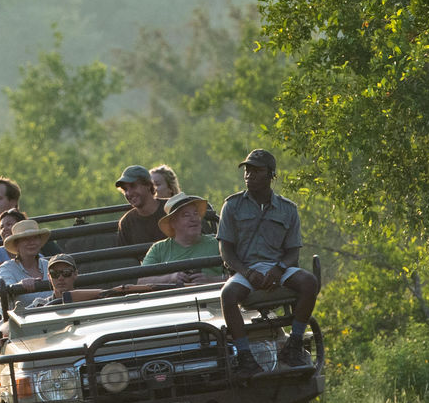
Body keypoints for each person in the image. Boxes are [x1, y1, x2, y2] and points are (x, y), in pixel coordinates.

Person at [216, 149, 320, 374]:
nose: (249, 175)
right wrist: (247, 273)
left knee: (309, 282)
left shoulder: (287, 208)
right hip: (245, 269)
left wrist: (279, 269)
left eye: (256, 171)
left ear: (271, 175)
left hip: (279, 267)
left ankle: (294, 343)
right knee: (228, 295)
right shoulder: (232, 206)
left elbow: (293, 251)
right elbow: (226, 250)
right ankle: (245, 356)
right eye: (247, 170)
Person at [137, 194, 220, 287]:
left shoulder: (218, 244)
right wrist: (170, 278)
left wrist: (211, 280)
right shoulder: (158, 249)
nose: (194, 219)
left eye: (196, 213)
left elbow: (236, 276)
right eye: (186, 215)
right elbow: (141, 281)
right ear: (172, 223)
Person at [0, 218, 54, 295]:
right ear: (16, 245)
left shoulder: (48, 265)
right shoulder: (6, 268)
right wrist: (19, 285)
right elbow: (5, 288)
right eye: (25, 239)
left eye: (35, 238)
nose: (31, 242)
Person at [22, 255, 107, 307]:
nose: (60, 278)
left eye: (66, 273)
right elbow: (11, 324)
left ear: (75, 274)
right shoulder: (40, 304)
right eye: (54, 274)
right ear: (49, 277)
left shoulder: (90, 300)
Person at [114, 165, 165, 247]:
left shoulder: (171, 209)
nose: (129, 193)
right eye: (125, 189)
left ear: (148, 185)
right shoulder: (126, 223)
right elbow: (124, 257)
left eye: (133, 186)